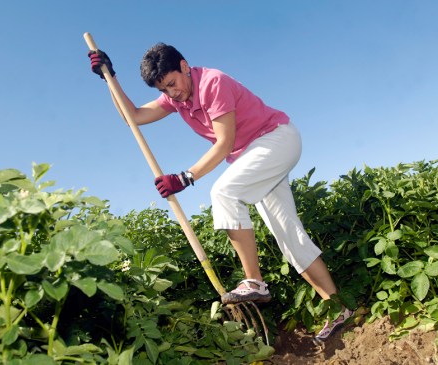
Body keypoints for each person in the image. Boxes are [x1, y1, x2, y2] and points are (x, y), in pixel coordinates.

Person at [88, 43, 354, 342]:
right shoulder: (176, 99)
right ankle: (339, 309)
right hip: (253, 157)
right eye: (164, 89)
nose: (172, 93)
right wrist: (109, 78)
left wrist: (185, 177)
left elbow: (224, 142)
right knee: (290, 237)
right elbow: (133, 116)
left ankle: (254, 282)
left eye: (173, 83)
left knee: (224, 192)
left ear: (185, 66)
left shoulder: (213, 82)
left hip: (275, 140)